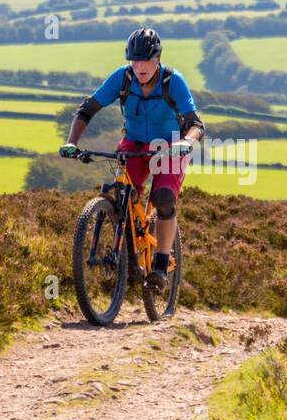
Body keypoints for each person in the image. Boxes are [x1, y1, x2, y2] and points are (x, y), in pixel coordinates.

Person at [59, 27, 205, 288]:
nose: (140, 67)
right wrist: (72, 143)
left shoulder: (174, 82)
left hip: (170, 146)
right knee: (120, 192)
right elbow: (87, 110)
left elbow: (196, 123)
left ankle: (160, 263)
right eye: (135, 61)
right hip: (135, 144)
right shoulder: (122, 78)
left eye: (146, 60)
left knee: (162, 198)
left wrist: (186, 141)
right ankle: (127, 254)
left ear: (157, 59)